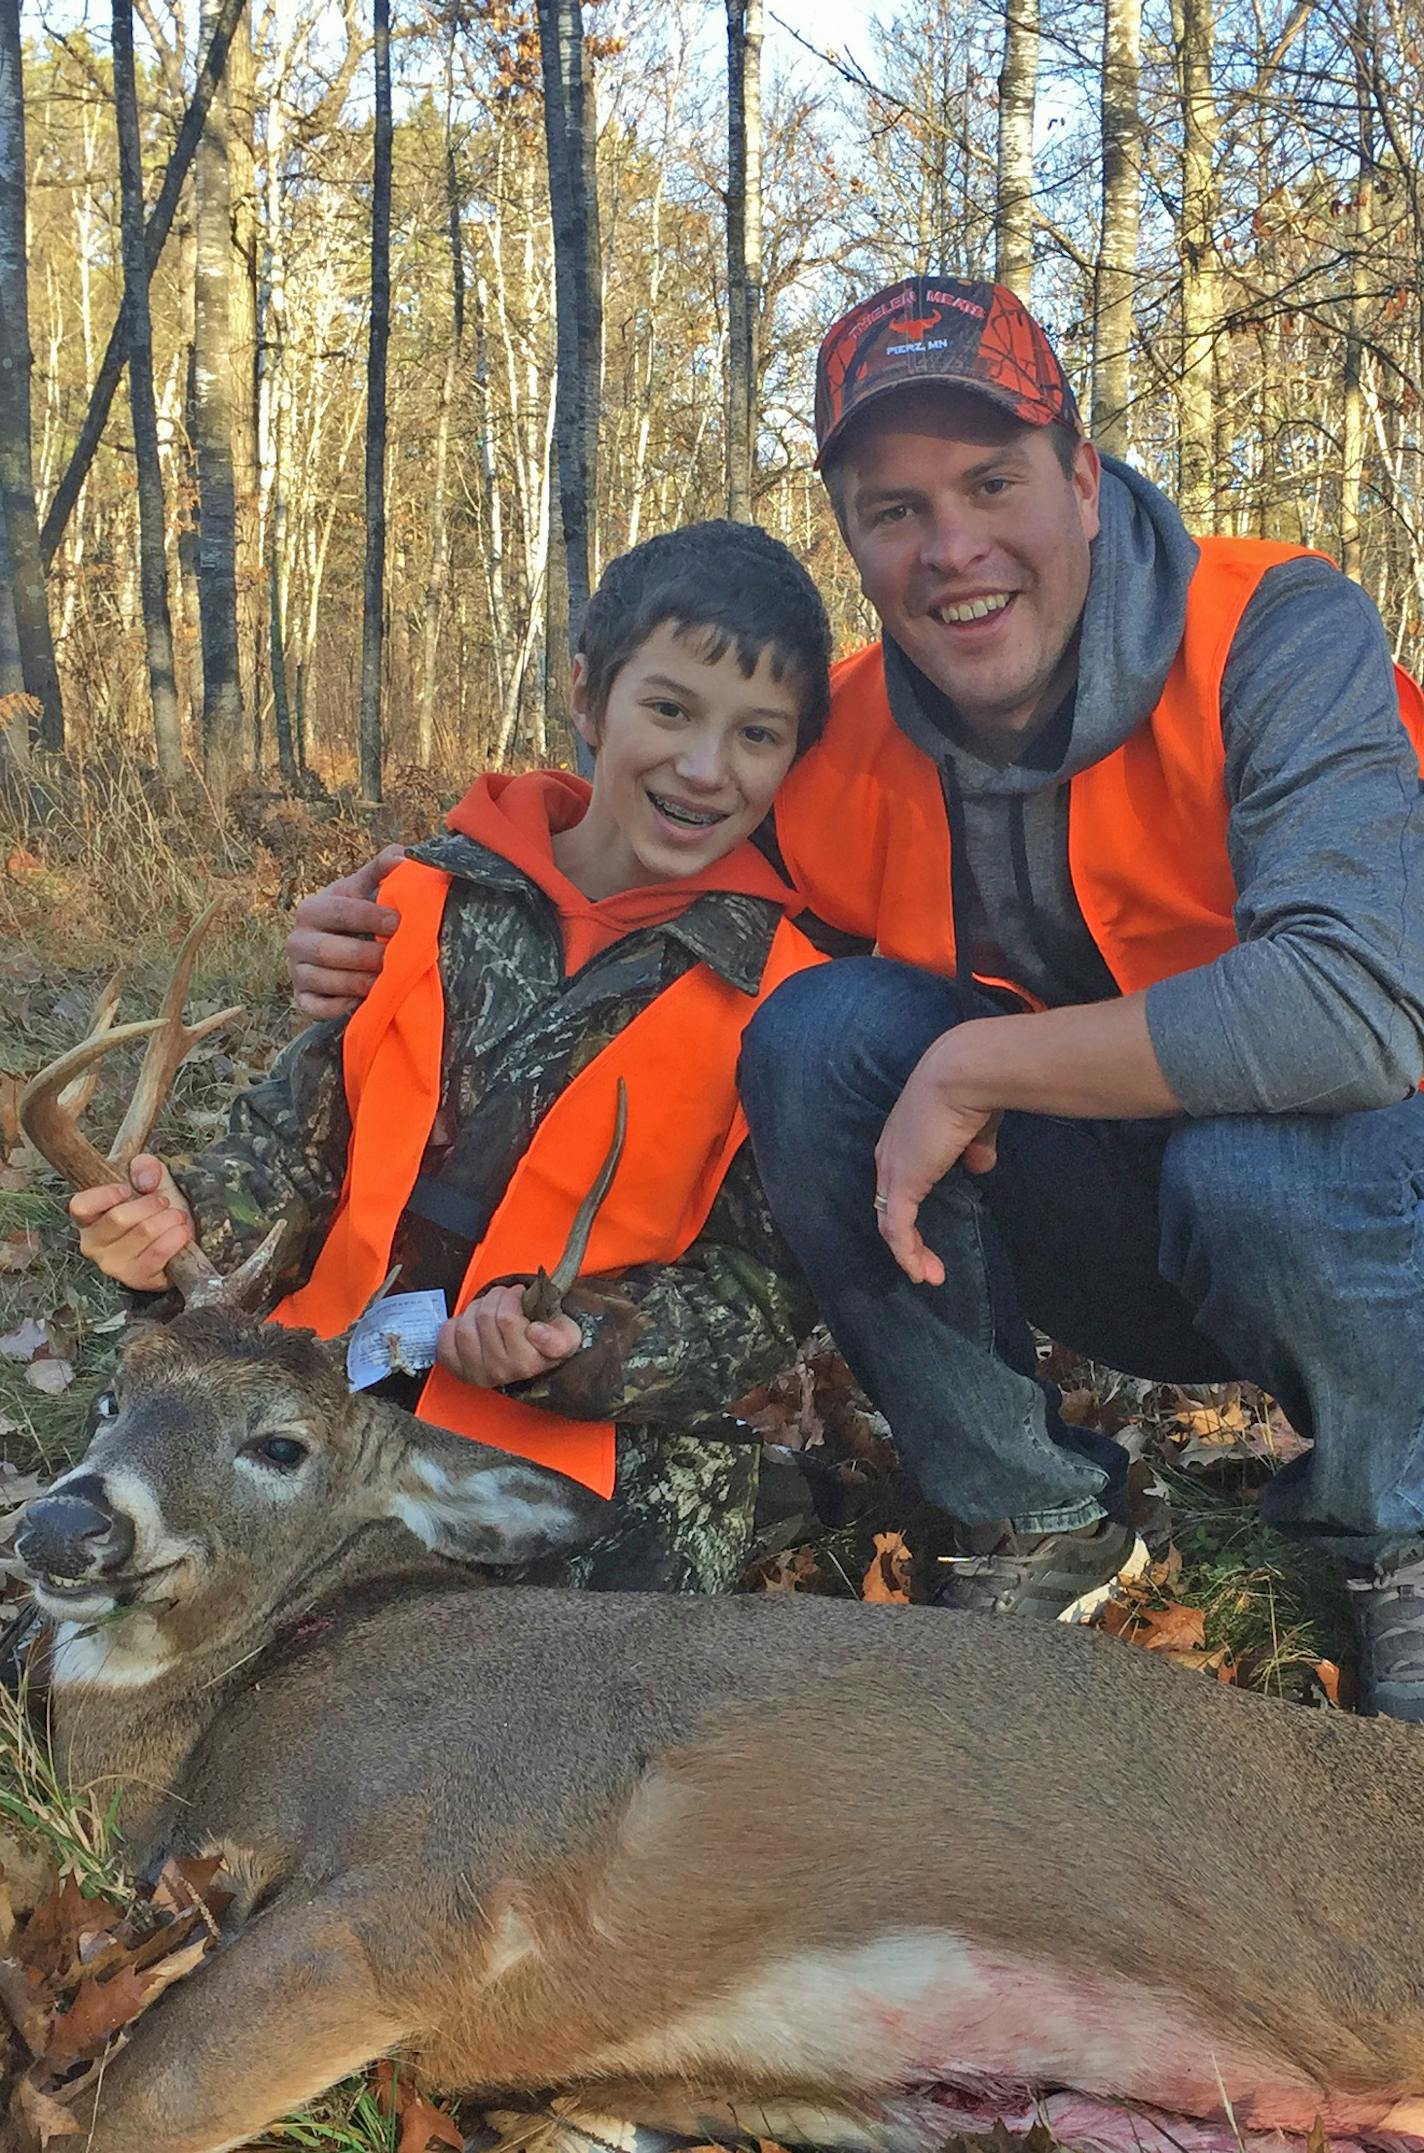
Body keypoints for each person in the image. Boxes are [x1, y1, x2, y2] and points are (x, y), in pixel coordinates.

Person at [288, 277, 1424, 1718]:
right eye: (895, 511)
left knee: (1253, 1153)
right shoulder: (848, 739)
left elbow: (1357, 1007)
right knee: (820, 1035)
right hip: (1121, 1236)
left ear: (1082, 480)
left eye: (993, 483)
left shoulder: (1276, 633)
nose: (954, 550)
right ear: (855, 543)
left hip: (1360, 1210)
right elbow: (646, 849)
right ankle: (1034, 1517)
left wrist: (980, 1069)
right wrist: (414, 903)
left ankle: (1403, 1524)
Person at [72, 520, 835, 1594]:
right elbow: (292, 1149)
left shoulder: (789, 996)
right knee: (129, 1584)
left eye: (757, 735)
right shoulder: (419, 901)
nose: (704, 766)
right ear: (587, 697)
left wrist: (574, 1343)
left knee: (540, 1685)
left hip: (571, 1437)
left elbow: (759, 1291)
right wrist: (175, 1232)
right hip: (321, 1390)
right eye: (667, 708)